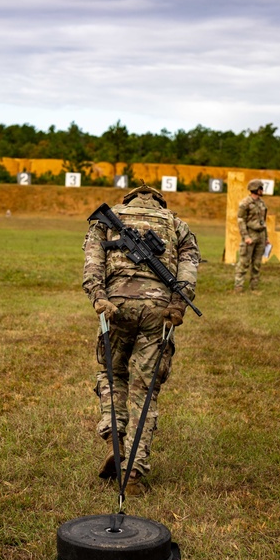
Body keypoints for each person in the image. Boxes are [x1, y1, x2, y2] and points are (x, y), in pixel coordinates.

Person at [82, 185, 200, 493]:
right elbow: (188, 270)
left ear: (129, 200)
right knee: (144, 388)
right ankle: (132, 472)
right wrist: (178, 303)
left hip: (116, 304)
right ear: (160, 201)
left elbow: (93, 259)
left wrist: (98, 296)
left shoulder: (109, 220)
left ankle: (114, 440)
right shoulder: (177, 224)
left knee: (112, 374)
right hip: (158, 311)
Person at [234, 179, 269, 293]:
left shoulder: (262, 203)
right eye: (261, 188)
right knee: (244, 262)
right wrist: (246, 237)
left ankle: (254, 287)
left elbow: (263, 221)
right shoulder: (245, 203)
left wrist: (266, 237)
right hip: (250, 234)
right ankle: (238, 287)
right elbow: (241, 220)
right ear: (256, 189)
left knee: (257, 263)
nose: (262, 191)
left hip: (261, 235)